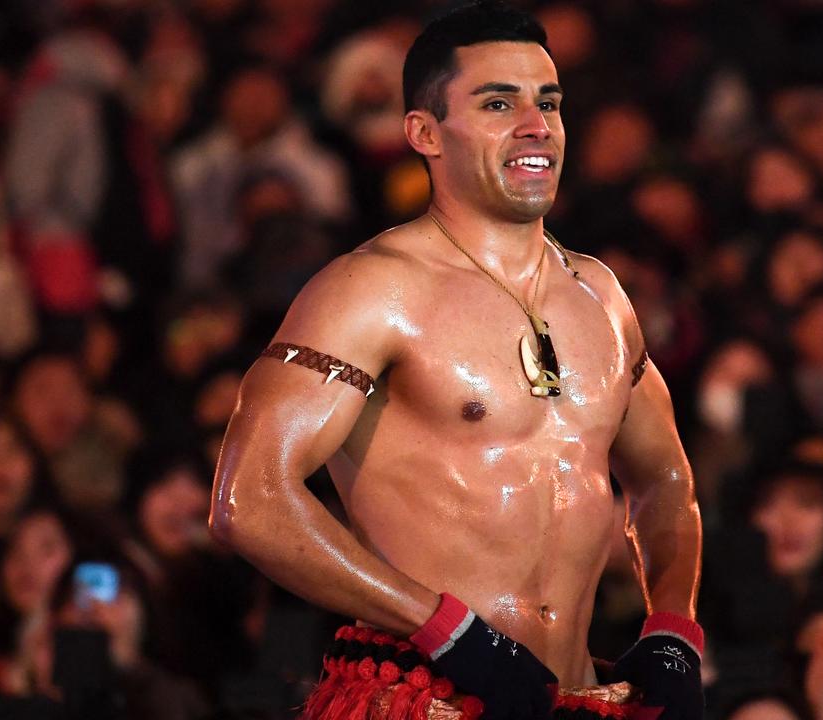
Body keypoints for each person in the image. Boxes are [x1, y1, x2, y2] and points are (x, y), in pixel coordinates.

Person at [208, 3, 703, 719]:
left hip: (569, 698)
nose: (536, 125)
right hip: (416, 693)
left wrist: (673, 630)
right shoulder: (370, 290)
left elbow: (664, 481)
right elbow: (247, 501)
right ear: (424, 133)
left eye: (550, 103)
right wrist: (445, 629)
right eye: (499, 102)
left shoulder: (600, 294)